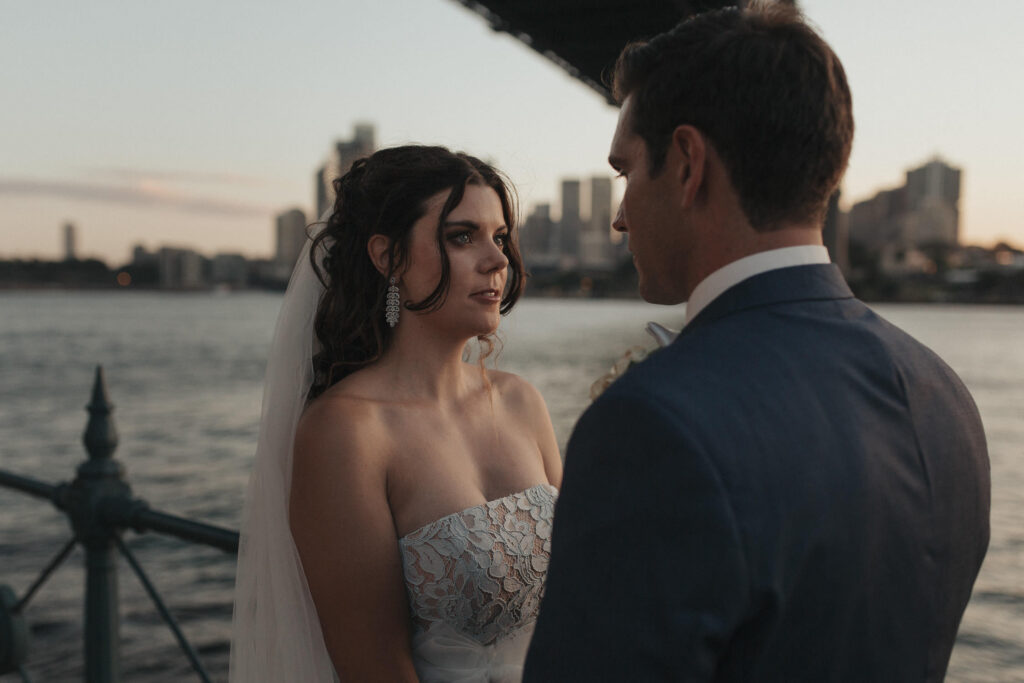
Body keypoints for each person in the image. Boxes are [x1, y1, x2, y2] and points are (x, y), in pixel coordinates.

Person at [524, 5, 989, 682]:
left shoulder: (651, 425)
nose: (621, 217)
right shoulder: (943, 393)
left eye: (626, 173)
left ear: (687, 164)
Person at [230, 146, 562, 682]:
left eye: (499, 237)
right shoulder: (347, 432)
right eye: (462, 236)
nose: (498, 260)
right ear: (387, 257)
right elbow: (375, 668)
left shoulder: (522, 402)